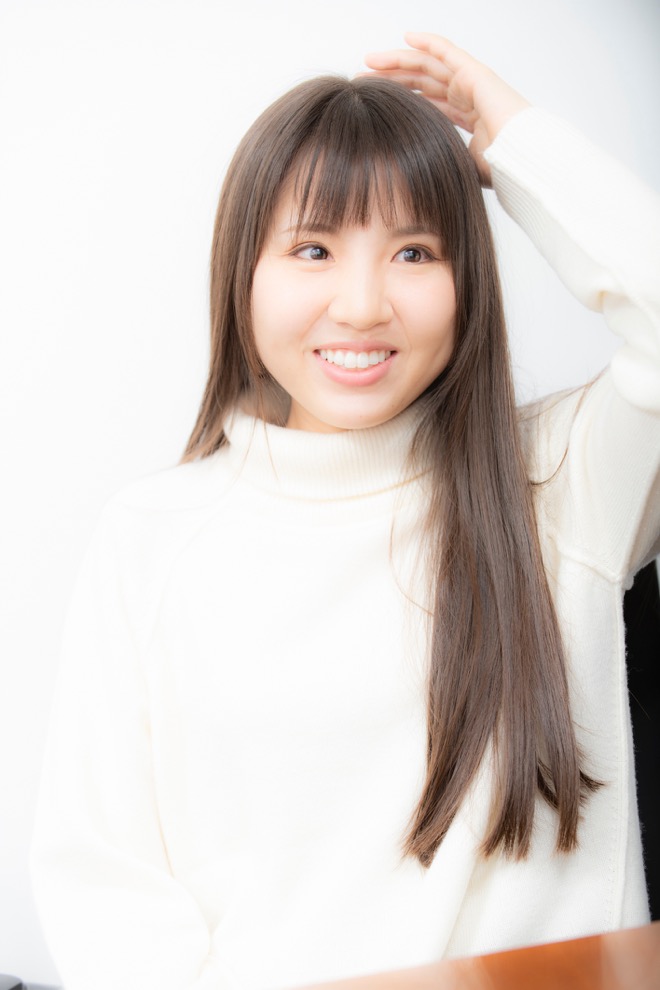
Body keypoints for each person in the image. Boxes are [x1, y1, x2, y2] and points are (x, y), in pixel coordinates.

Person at [31, 32, 660, 990]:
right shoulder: (153, 536)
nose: (362, 306)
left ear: (466, 281)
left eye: (414, 251)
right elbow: (105, 887)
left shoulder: (559, 480)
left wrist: (513, 140)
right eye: (314, 249)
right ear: (243, 274)